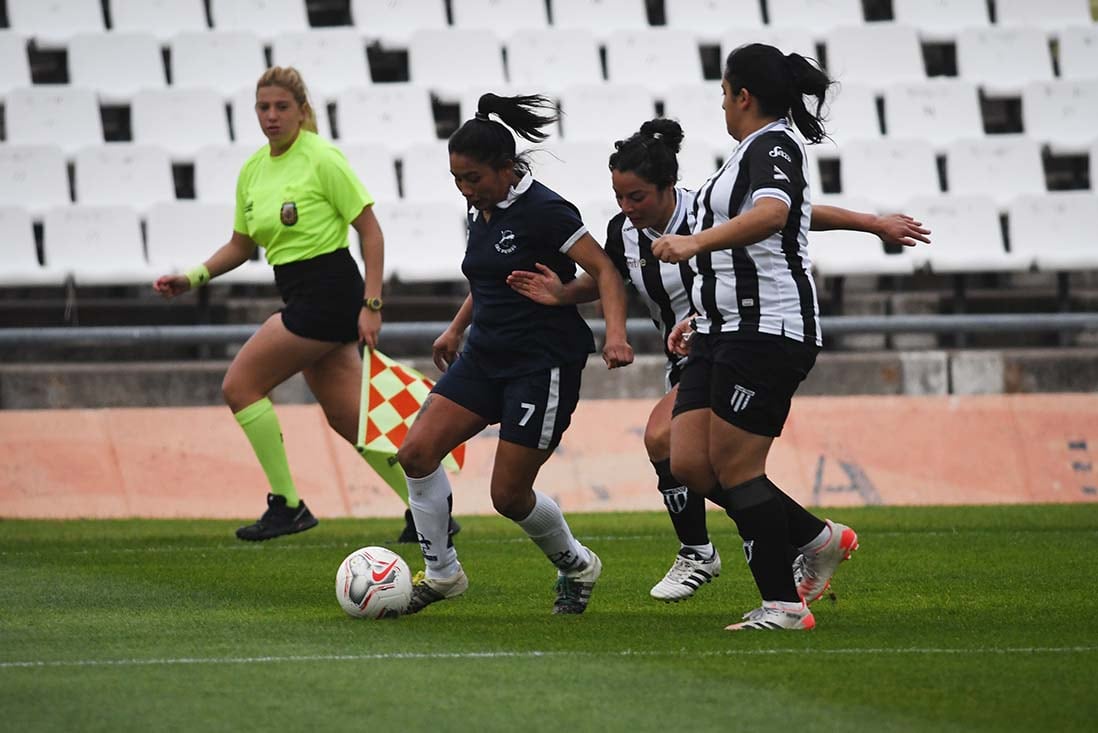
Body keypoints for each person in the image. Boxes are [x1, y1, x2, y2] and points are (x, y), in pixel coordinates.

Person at [506, 118, 930, 604]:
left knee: (664, 439)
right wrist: (563, 294)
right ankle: (815, 538)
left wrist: (874, 225)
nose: (627, 208)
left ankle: (700, 552)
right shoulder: (624, 231)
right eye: (620, 198)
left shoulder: (707, 212)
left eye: (637, 197)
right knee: (702, 468)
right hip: (692, 355)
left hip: (732, 343)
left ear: (668, 186)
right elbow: (610, 279)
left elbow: (794, 214)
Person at [649, 43, 879, 631]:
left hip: (766, 329)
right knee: (690, 463)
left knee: (735, 467)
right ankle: (816, 538)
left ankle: (781, 605)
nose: (722, 104)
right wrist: (697, 310)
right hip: (718, 331)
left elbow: (778, 214)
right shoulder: (743, 155)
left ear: (743, 96)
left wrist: (694, 244)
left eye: (724, 93)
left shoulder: (774, 144)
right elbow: (790, 214)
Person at [394, 93, 634, 615]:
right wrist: (456, 328)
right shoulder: (482, 206)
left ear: (507, 169)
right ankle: (442, 575)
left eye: (473, 177)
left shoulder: (546, 210)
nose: (464, 188)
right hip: (484, 355)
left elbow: (607, 271)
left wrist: (614, 334)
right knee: (415, 453)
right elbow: (492, 278)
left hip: (540, 364)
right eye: (457, 178)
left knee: (508, 496)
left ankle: (577, 565)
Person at [153, 66, 386, 542]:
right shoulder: (254, 170)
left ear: (302, 111)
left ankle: (288, 505)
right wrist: (192, 277)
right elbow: (241, 246)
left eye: (282, 107)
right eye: (264, 107)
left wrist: (373, 304)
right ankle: (428, 504)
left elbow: (371, 232)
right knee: (348, 416)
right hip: (300, 290)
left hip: (329, 290)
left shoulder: (322, 158)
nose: (272, 116)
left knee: (241, 385)